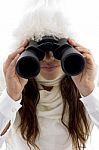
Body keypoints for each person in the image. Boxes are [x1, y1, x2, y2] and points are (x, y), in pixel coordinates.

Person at [0, 6, 99, 150]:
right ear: (22, 51)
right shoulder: (7, 87)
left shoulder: (85, 88)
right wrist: (10, 96)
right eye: (38, 52)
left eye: (58, 50)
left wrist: (89, 91)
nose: (49, 58)